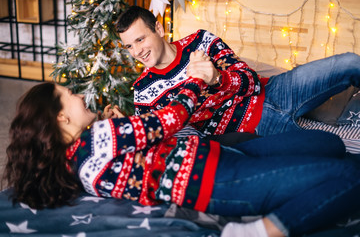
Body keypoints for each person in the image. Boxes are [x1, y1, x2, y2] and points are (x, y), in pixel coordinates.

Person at [4, 72, 360, 237]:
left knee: (331, 145)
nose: (80, 96)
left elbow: (139, 158)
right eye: (69, 94)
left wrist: (125, 129)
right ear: (61, 117)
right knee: (349, 176)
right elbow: (172, 118)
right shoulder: (98, 138)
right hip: (221, 180)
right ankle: (260, 232)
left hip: (222, 153)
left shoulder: (77, 162)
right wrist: (196, 79)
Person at [116, 5, 360, 145]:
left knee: (350, 62)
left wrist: (218, 79)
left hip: (274, 91)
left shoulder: (200, 41)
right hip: (256, 131)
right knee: (333, 149)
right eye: (129, 46)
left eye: (140, 39)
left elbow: (251, 81)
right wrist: (125, 124)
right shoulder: (144, 92)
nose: (137, 51)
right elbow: (158, 138)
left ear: (158, 29)